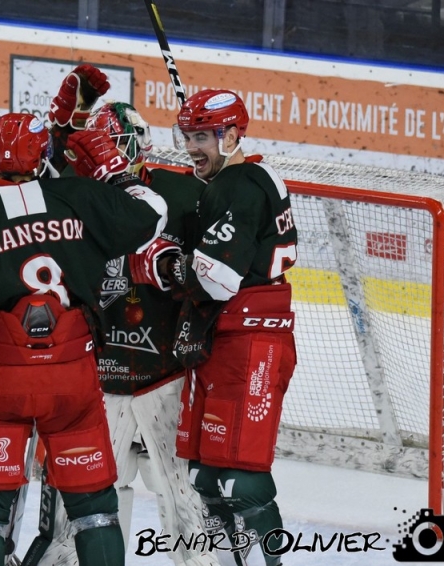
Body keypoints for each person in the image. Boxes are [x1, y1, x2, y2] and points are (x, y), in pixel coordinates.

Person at [0, 112, 170, 566]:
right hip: (71, 381)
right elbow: (154, 216)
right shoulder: (79, 196)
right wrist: (114, 173)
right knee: (95, 510)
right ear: (44, 158)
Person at [30, 101, 217, 566]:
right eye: (102, 148)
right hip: (100, 374)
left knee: (181, 491)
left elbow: (211, 272)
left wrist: (176, 270)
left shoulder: (181, 193)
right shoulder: (77, 198)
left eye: (116, 146)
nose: (109, 156)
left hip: (166, 371)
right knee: (91, 494)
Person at [132, 89, 298, 566]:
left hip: (250, 342)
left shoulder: (238, 186)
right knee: (206, 475)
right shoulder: (249, 176)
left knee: (238, 479)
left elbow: (217, 279)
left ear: (231, 135)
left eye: (202, 136)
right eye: (188, 135)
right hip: (227, 338)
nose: (191, 147)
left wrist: (159, 264)